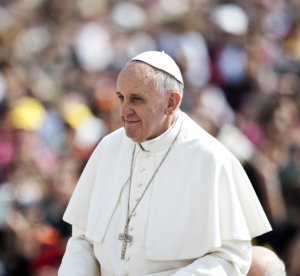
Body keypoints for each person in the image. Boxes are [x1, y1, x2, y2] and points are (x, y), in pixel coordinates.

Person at [58, 51, 272, 276]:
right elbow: (82, 238)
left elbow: (231, 257)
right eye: (121, 97)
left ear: (171, 102)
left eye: (136, 99)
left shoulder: (211, 159)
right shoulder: (107, 148)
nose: (123, 111)